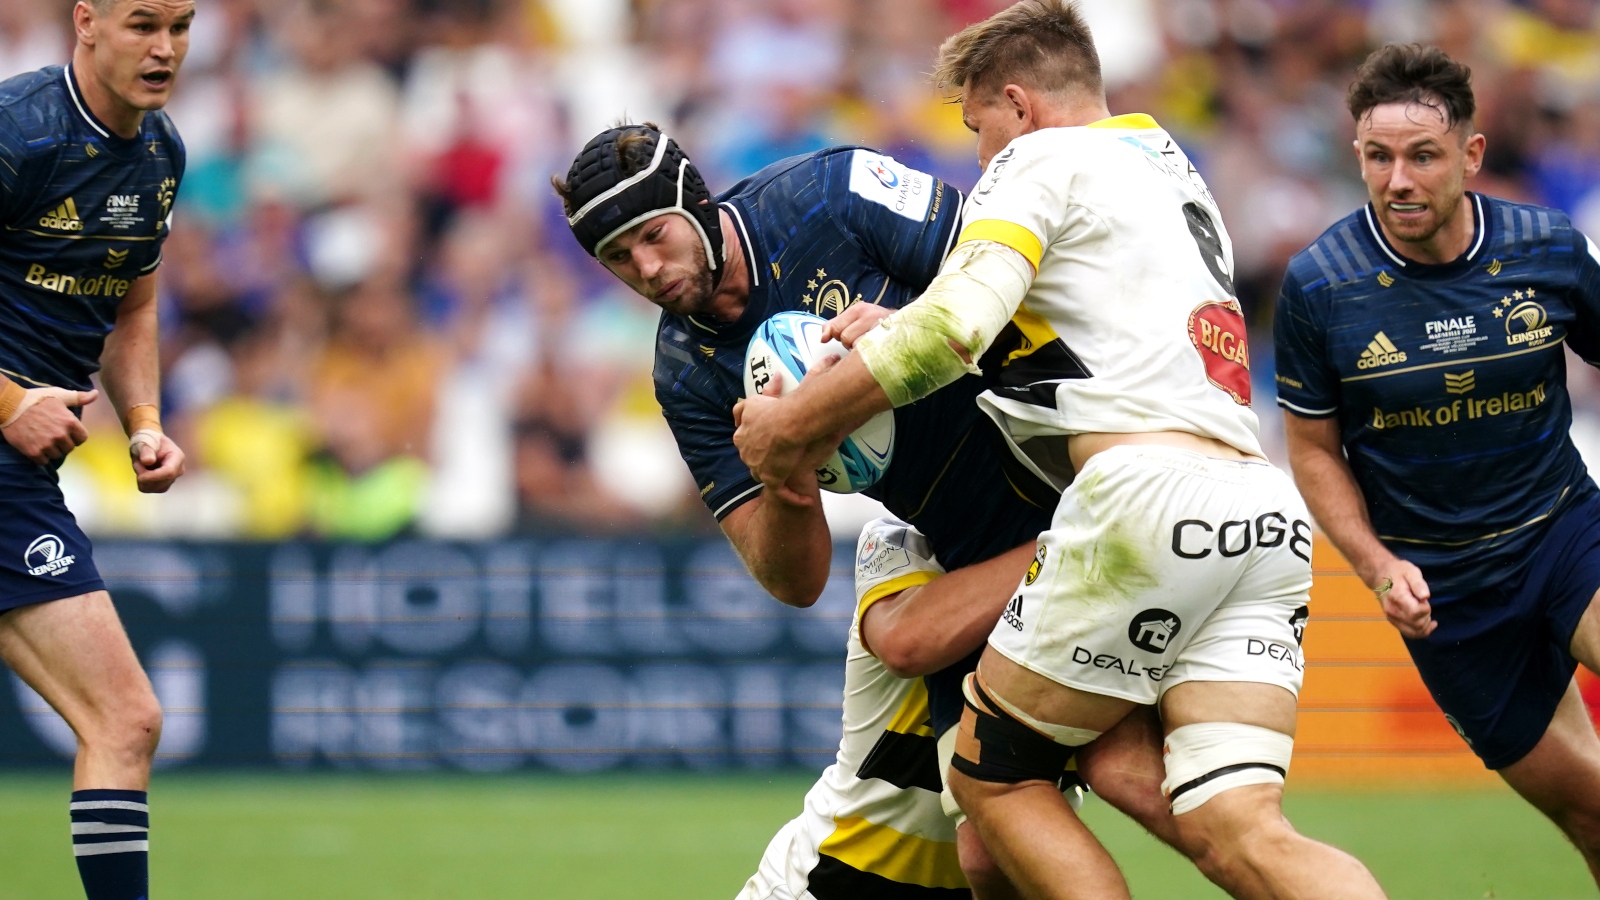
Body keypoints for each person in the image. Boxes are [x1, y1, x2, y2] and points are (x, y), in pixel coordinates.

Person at [731, 3, 1386, 899]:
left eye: (977, 130)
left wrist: (793, 427)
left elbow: (950, 332)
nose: (979, 157)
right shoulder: (1169, 169)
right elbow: (1091, 341)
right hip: (1258, 507)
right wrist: (907, 318)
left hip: (1145, 496)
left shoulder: (1039, 160)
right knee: (1240, 827)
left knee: (989, 778)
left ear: (1018, 103)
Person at [552, 124, 1180, 898]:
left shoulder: (832, 193)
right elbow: (794, 579)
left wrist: (916, 331)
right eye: (618, 258)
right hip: (978, 557)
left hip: (1077, 486)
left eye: (654, 236)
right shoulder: (686, 373)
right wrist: (784, 469)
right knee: (991, 855)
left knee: (1147, 788)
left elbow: (1037, 285)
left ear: (695, 200)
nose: (647, 270)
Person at [1275, 43, 1600, 883]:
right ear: (1357, 156)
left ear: (1470, 154)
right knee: (1590, 812)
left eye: (1423, 155)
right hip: (1444, 594)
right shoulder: (1320, 286)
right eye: (1379, 157)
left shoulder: (1548, 249)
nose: (1399, 180)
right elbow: (1312, 449)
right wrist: (1377, 565)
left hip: (1561, 532)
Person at [0, 2, 191, 899]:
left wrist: (145, 420)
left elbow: (134, 304)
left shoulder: (162, 154)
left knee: (119, 720)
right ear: (85, 21)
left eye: (182, 25)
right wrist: (8, 402)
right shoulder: (18, 130)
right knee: (123, 717)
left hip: (25, 468)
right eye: (142, 24)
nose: (164, 50)